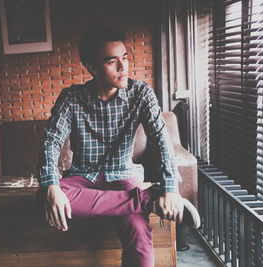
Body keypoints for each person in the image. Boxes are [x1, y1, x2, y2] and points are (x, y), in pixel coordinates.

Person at [38, 27, 200, 267]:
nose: (124, 68)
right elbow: (51, 142)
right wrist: (51, 186)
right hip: (83, 177)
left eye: (125, 58)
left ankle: (141, 200)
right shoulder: (71, 98)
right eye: (113, 62)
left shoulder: (141, 93)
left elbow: (160, 139)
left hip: (123, 177)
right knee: (46, 194)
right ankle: (147, 200)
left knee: (139, 230)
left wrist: (170, 187)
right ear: (93, 68)